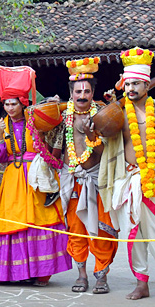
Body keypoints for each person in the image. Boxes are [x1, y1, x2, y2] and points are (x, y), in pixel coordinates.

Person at [96, 48, 155, 303]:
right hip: (126, 179)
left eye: (136, 83)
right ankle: (141, 283)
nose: (131, 88)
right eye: (127, 83)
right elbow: (101, 135)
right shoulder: (116, 111)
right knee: (133, 234)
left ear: (147, 84)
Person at [0, 66, 72, 285]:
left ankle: (42, 273)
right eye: (6, 104)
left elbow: (56, 123)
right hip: (13, 179)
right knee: (12, 222)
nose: (9, 108)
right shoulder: (0, 126)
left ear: (23, 103)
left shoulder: (35, 119)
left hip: (36, 176)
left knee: (39, 220)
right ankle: (15, 274)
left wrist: (54, 106)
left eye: (13, 103)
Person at [52, 58, 117, 294]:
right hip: (72, 180)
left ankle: (101, 276)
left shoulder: (103, 115)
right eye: (78, 91)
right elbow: (38, 127)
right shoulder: (60, 116)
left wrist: (92, 136)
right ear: (71, 93)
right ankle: (81, 276)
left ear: (93, 92)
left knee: (101, 231)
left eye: (87, 91)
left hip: (97, 180)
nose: (82, 95)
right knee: (76, 231)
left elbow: (107, 150)